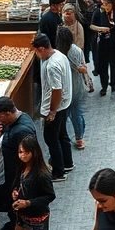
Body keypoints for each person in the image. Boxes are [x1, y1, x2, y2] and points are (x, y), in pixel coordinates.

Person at [11, 136, 57, 230]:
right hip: (23, 214)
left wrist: (28, 203)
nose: (22, 155)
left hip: (37, 215)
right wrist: (16, 191)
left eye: (25, 152)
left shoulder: (42, 173)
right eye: (20, 152)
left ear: (33, 152)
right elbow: (18, 182)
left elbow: (50, 196)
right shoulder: (22, 167)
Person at [0, 96, 36, 230]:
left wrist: (20, 183)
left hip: (18, 176)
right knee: (11, 205)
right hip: (10, 173)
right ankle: (13, 223)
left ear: (6, 114)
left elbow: (29, 158)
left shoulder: (23, 131)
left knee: (18, 205)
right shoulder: (15, 121)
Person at [32, 32, 73, 181]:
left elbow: (57, 90)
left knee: (51, 139)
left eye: (36, 51)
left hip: (56, 106)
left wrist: (52, 111)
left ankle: (58, 172)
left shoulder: (51, 65)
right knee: (62, 135)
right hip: (65, 103)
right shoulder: (59, 55)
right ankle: (67, 162)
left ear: (41, 48)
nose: (36, 55)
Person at [56, 26, 90, 150]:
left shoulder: (56, 54)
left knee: (63, 113)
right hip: (76, 86)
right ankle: (79, 138)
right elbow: (84, 67)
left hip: (63, 88)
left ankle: (63, 136)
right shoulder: (76, 50)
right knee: (77, 112)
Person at [90, 0, 115, 98]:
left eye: (108, 4)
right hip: (102, 42)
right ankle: (104, 86)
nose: (106, 6)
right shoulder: (98, 12)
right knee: (103, 65)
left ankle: (114, 84)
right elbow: (91, 25)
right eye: (104, 4)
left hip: (114, 42)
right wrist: (101, 28)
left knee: (114, 64)